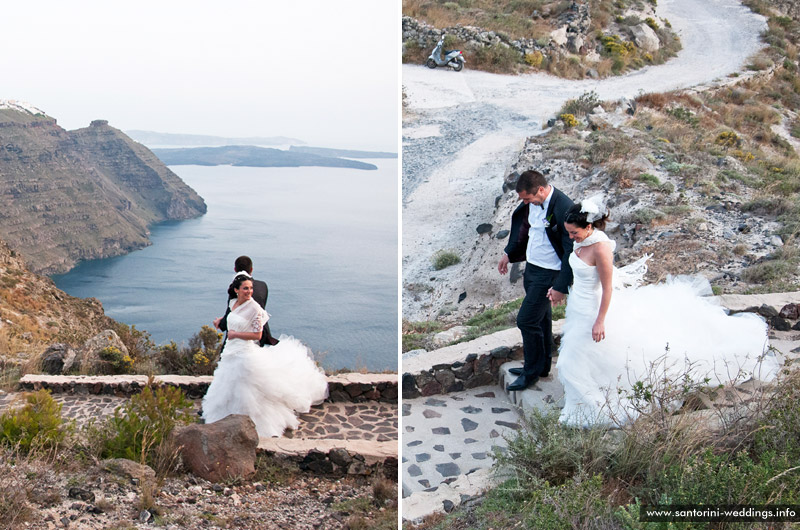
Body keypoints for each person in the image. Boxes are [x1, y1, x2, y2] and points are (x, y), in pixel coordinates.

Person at [554, 196, 780, 426]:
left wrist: (600, 320)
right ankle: (583, 401)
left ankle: (589, 408)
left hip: (594, 309)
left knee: (569, 360)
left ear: (589, 227)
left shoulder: (601, 248)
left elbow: (607, 287)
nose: (571, 237)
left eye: (574, 233)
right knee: (589, 358)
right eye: (569, 233)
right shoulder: (580, 242)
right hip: (578, 307)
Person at [202, 273, 329, 437]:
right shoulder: (233, 303)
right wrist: (220, 323)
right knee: (226, 384)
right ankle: (224, 418)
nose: (249, 292)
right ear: (236, 290)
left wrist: (235, 334)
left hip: (244, 353)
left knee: (245, 390)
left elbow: (258, 335)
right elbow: (229, 320)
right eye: (245, 288)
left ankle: (250, 422)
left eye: (251, 288)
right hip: (230, 351)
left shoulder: (255, 309)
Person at [498, 170, 575, 391]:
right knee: (541, 320)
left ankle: (530, 373)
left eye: (526, 198)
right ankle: (541, 367)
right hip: (531, 268)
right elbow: (524, 232)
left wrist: (561, 285)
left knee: (526, 320)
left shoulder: (563, 207)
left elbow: (570, 248)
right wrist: (508, 254)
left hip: (549, 272)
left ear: (540, 189)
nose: (524, 202)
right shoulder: (532, 204)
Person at [215, 255, 279, 347]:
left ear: (235, 269)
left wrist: (220, 323)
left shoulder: (237, 288)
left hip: (242, 337)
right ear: (251, 269)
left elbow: (232, 312)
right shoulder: (262, 286)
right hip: (263, 337)